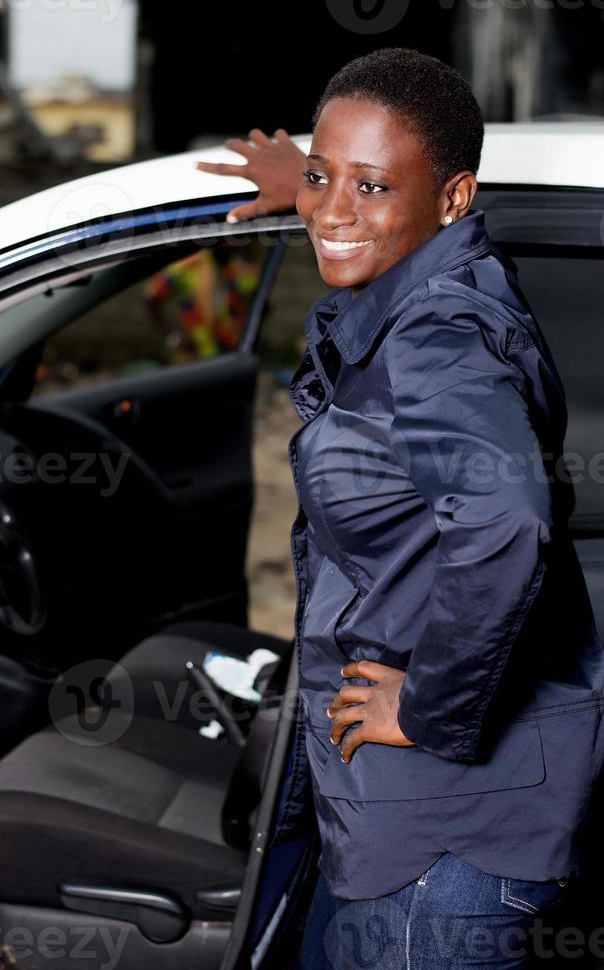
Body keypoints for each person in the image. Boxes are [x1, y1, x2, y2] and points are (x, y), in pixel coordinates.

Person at [197, 48, 604, 968]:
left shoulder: (439, 337)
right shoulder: (428, 281)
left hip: (445, 837)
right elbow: (346, 195)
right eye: (321, 176)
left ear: (453, 199)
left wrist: (428, 705)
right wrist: (310, 182)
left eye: (372, 187)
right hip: (393, 812)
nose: (333, 211)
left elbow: (505, 521)